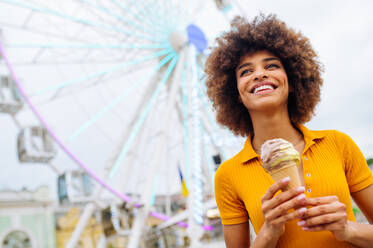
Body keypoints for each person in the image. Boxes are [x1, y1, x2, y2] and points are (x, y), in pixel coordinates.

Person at [205, 14, 373, 248]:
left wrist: (348, 229)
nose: (259, 74)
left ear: (292, 80)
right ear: (236, 94)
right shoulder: (228, 175)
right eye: (245, 72)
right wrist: (269, 232)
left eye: (271, 65)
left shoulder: (339, 144)